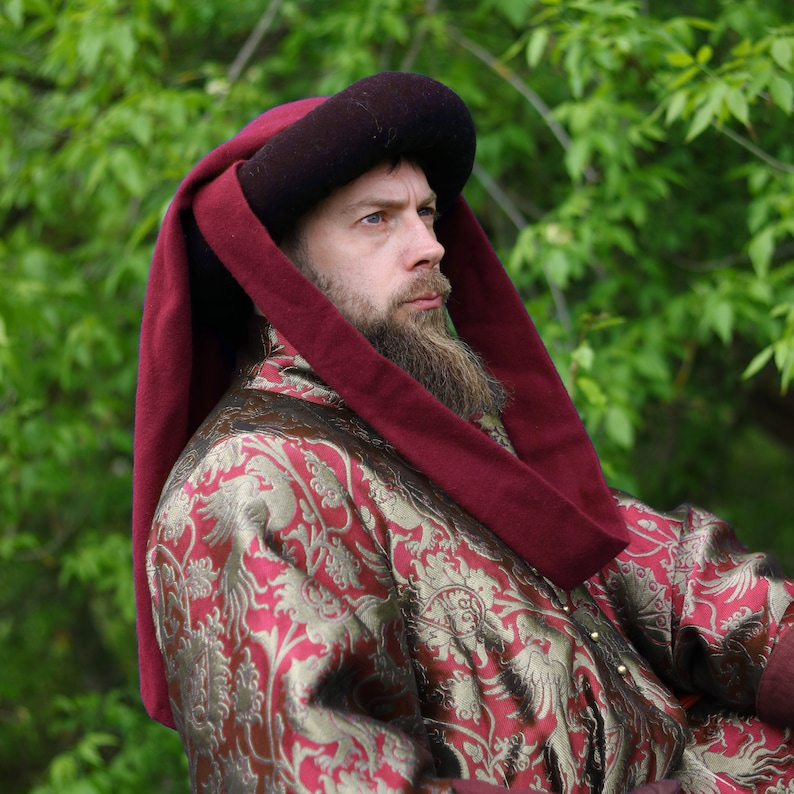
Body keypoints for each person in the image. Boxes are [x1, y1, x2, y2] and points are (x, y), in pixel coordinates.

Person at [133, 72, 794, 793]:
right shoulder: (248, 482)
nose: (429, 246)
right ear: (276, 267)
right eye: (376, 219)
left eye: (426, 212)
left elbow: (646, 564)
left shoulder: (439, 420)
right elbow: (318, 778)